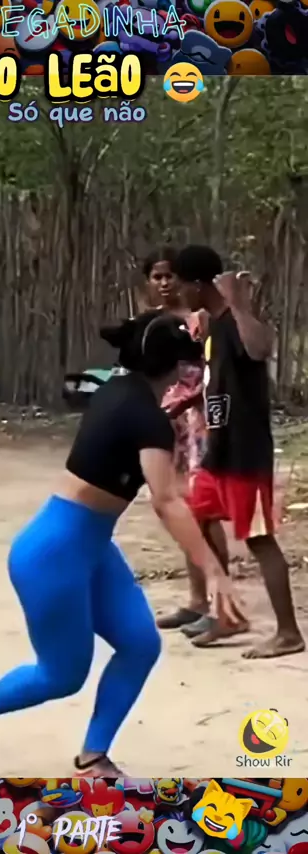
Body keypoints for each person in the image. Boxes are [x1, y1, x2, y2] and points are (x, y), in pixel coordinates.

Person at [0, 310, 245, 775]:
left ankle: (93, 757)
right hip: (53, 554)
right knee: (62, 674)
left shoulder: (119, 391)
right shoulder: (147, 418)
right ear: (176, 368)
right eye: (189, 363)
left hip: (91, 547)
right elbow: (166, 500)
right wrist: (215, 573)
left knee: (140, 643)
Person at [172, 244, 305, 658]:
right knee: (198, 519)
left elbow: (261, 349)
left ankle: (288, 633)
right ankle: (226, 613)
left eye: (181, 284)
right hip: (218, 449)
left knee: (259, 539)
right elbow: (219, 382)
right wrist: (189, 400)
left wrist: (240, 303)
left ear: (198, 284)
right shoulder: (213, 325)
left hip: (245, 451)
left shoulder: (235, 320)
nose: (178, 292)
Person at [140, 248, 234, 641]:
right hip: (166, 423)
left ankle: (222, 603)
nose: (165, 283)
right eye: (157, 276)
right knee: (179, 509)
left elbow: (212, 374)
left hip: (198, 421)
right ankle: (198, 599)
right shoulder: (150, 322)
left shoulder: (201, 319)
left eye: (170, 276)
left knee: (203, 511)